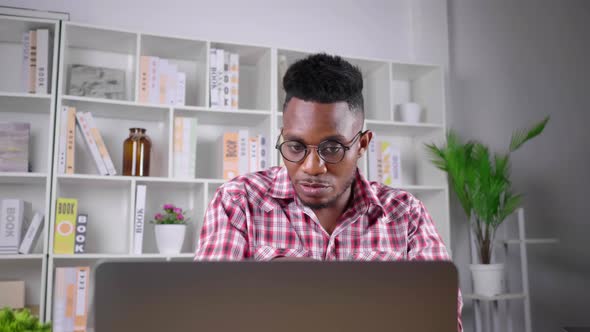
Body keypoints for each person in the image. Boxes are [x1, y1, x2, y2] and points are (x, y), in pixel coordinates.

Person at [195, 53, 462, 330]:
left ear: (362, 144)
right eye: (296, 146)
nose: (312, 168)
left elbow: (440, 321)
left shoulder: (406, 215)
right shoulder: (238, 202)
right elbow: (208, 314)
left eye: (332, 148)